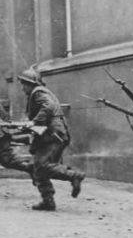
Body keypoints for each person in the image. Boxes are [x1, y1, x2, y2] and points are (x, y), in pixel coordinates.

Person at [17, 68, 85, 211]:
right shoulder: (37, 93)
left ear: (31, 83)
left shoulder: (38, 92)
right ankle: (48, 201)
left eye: (24, 84)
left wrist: (34, 122)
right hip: (49, 135)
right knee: (39, 168)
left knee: (41, 166)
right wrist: (27, 128)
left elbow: (48, 107)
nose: (22, 88)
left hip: (53, 135)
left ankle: (74, 176)